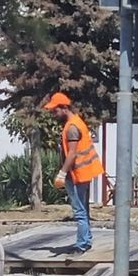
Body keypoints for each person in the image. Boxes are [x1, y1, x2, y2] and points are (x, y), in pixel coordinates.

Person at [44, 92, 105, 255]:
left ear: (64, 108)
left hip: (76, 174)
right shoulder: (77, 121)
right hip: (85, 172)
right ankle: (86, 239)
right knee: (83, 209)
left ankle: (82, 244)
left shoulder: (71, 127)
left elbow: (72, 154)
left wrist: (62, 173)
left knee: (79, 211)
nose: (53, 114)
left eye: (55, 110)